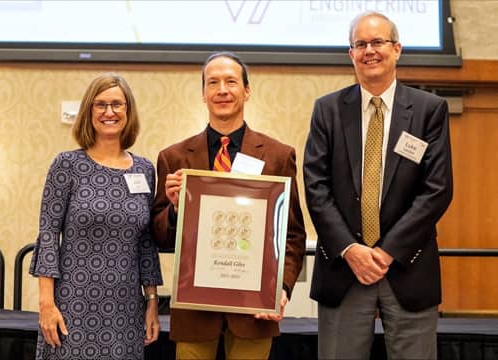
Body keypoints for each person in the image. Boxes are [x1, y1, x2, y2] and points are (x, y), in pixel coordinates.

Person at [303, 11, 453, 360]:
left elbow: (437, 190)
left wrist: (385, 252)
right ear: (351, 54)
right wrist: (352, 250)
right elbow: (316, 186)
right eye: (361, 44)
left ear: (397, 49)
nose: (370, 50)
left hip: (408, 265)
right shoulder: (327, 110)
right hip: (344, 268)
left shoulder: (429, 110)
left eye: (378, 42)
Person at [151, 51, 306, 360]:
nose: (222, 89)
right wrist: (177, 209)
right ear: (203, 94)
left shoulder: (277, 155)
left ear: (246, 91)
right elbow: (160, 237)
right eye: (213, 82)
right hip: (195, 312)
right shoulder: (174, 158)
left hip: (254, 310)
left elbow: (292, 234)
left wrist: (281, 290)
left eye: (231, 81)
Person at [29, 73, 163, 360]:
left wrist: (152, 302)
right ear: (89, 112)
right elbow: (49, 234)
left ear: (129, 111)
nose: (109, 112)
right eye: (100, 105)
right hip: (72, 304)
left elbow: (146, 244)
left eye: (117, 104)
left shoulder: (145, 169)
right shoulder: (67, 165)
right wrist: (46, 304)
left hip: (126, 308)